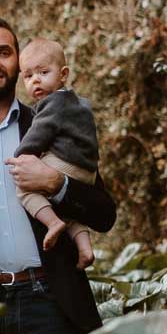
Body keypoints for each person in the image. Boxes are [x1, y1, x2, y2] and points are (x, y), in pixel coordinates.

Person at [0, 17, 115, 334]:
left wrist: (57, 184)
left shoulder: (50, 121)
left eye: (4, 52)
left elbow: (105, 213)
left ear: (18, 62)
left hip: (52, 299)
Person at [13, 37, 98, 267]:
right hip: (86, 170)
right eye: (29, 76)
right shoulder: (78, 103)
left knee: (23, 188)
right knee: (69, 213)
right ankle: (85, 248)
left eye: (43, 72)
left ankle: (52, 223)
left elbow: (38, 134)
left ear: (63, 74)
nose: (36, 81)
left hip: (65, 163)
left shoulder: (53, 104)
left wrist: (23, 155)